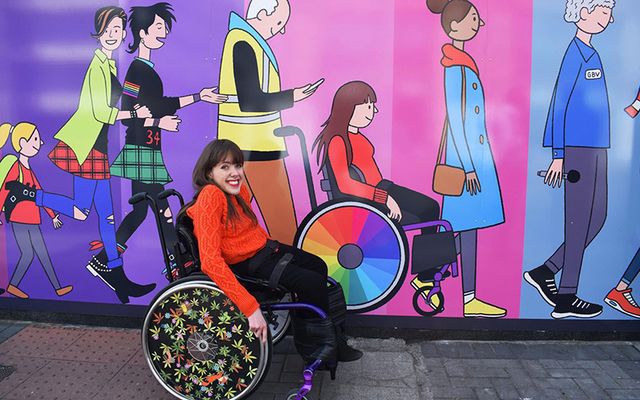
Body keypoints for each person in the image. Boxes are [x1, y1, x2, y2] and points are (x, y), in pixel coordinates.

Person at [5, 6, 154, 303]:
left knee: (107, 217)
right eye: (108, 30)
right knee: (80, 211)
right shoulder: (97, 66)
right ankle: (27, 194)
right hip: (84, 148)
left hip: (96, 148)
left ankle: (116, 275)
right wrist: (134, 114)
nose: (114, 35)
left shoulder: (110, 65)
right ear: (98, 33)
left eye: (118, 30)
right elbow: (100, 111)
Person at [186, 139, 362, 367]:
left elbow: (247, 227)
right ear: (209, 172)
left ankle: (329, 340)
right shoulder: (211, 195)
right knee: (310, 282)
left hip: (265, 250)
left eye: (238, 166)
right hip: (248, 264)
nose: (235, 173)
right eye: (225, 167)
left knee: (318, 266)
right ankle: (320, 349)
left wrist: (239, 190)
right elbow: (210, 262)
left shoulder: (235, 193)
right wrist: (250, 308)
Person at [89, 2, 227, 285]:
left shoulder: (146, 69)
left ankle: (107, 260)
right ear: (142, 33)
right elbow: (129, 115)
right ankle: (177, 267)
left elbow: (161, 104)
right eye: (159, 27)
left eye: (165, 27)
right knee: (161, 209)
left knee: (144, 210)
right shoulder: (137, 71)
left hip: (148, 150)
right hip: (141, 151)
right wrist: (158, 122)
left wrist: (199, 96)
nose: (163, 32)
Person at [524, 0, 615, 319]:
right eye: (604, 11)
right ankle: (566, 297)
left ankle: (545, 271)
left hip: (596, 149)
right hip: (577, 150)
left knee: (599, 216)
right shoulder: (574, 54)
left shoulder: (592, 53)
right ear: (584, 13)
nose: (609, 17)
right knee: (577, 223)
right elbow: (559, 104)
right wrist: (558, 156)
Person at [312, 81, 443, 301]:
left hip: (382, 187)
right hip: (371, 197)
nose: (374, 111)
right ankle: (428, 275)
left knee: (431, 208)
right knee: (426, 217)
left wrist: (386, 193)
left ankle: (427, 273)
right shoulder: (337, 140)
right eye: (368, 105)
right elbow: (345, 184)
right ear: (349, 107)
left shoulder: (354, 135)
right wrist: (385, 199)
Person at [217, 0, 320, 246]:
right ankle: (290, 281)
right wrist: (294, 96)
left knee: (231, 220)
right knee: (283, 226)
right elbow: (250, 101)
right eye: (278, 23)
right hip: (256, 146)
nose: (280, 30)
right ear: (262, 14)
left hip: (244, 144)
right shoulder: (243, 43)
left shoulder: (246, 41)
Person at [427, 0, 506, 318]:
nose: (477, 24)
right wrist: (470, 167)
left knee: (467, 230)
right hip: (468, 163)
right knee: (464, 229)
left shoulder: (463, 62)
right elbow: (456, 120)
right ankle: (453, 289)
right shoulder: (455, 67)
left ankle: (432, 279)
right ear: (453, 26)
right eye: (472, 19)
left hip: (475, 157)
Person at [0, 122, 72, 299]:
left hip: (33, 219)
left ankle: (57, 288)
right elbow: (4, 191)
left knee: (43, 253)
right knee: (28, 254)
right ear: (23, 143)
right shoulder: (16, 169)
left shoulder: (29, 170)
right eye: (35, 139)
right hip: (19, 219)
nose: (39, 143)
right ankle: (13, 286)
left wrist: (53, 215)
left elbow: (41, 196)